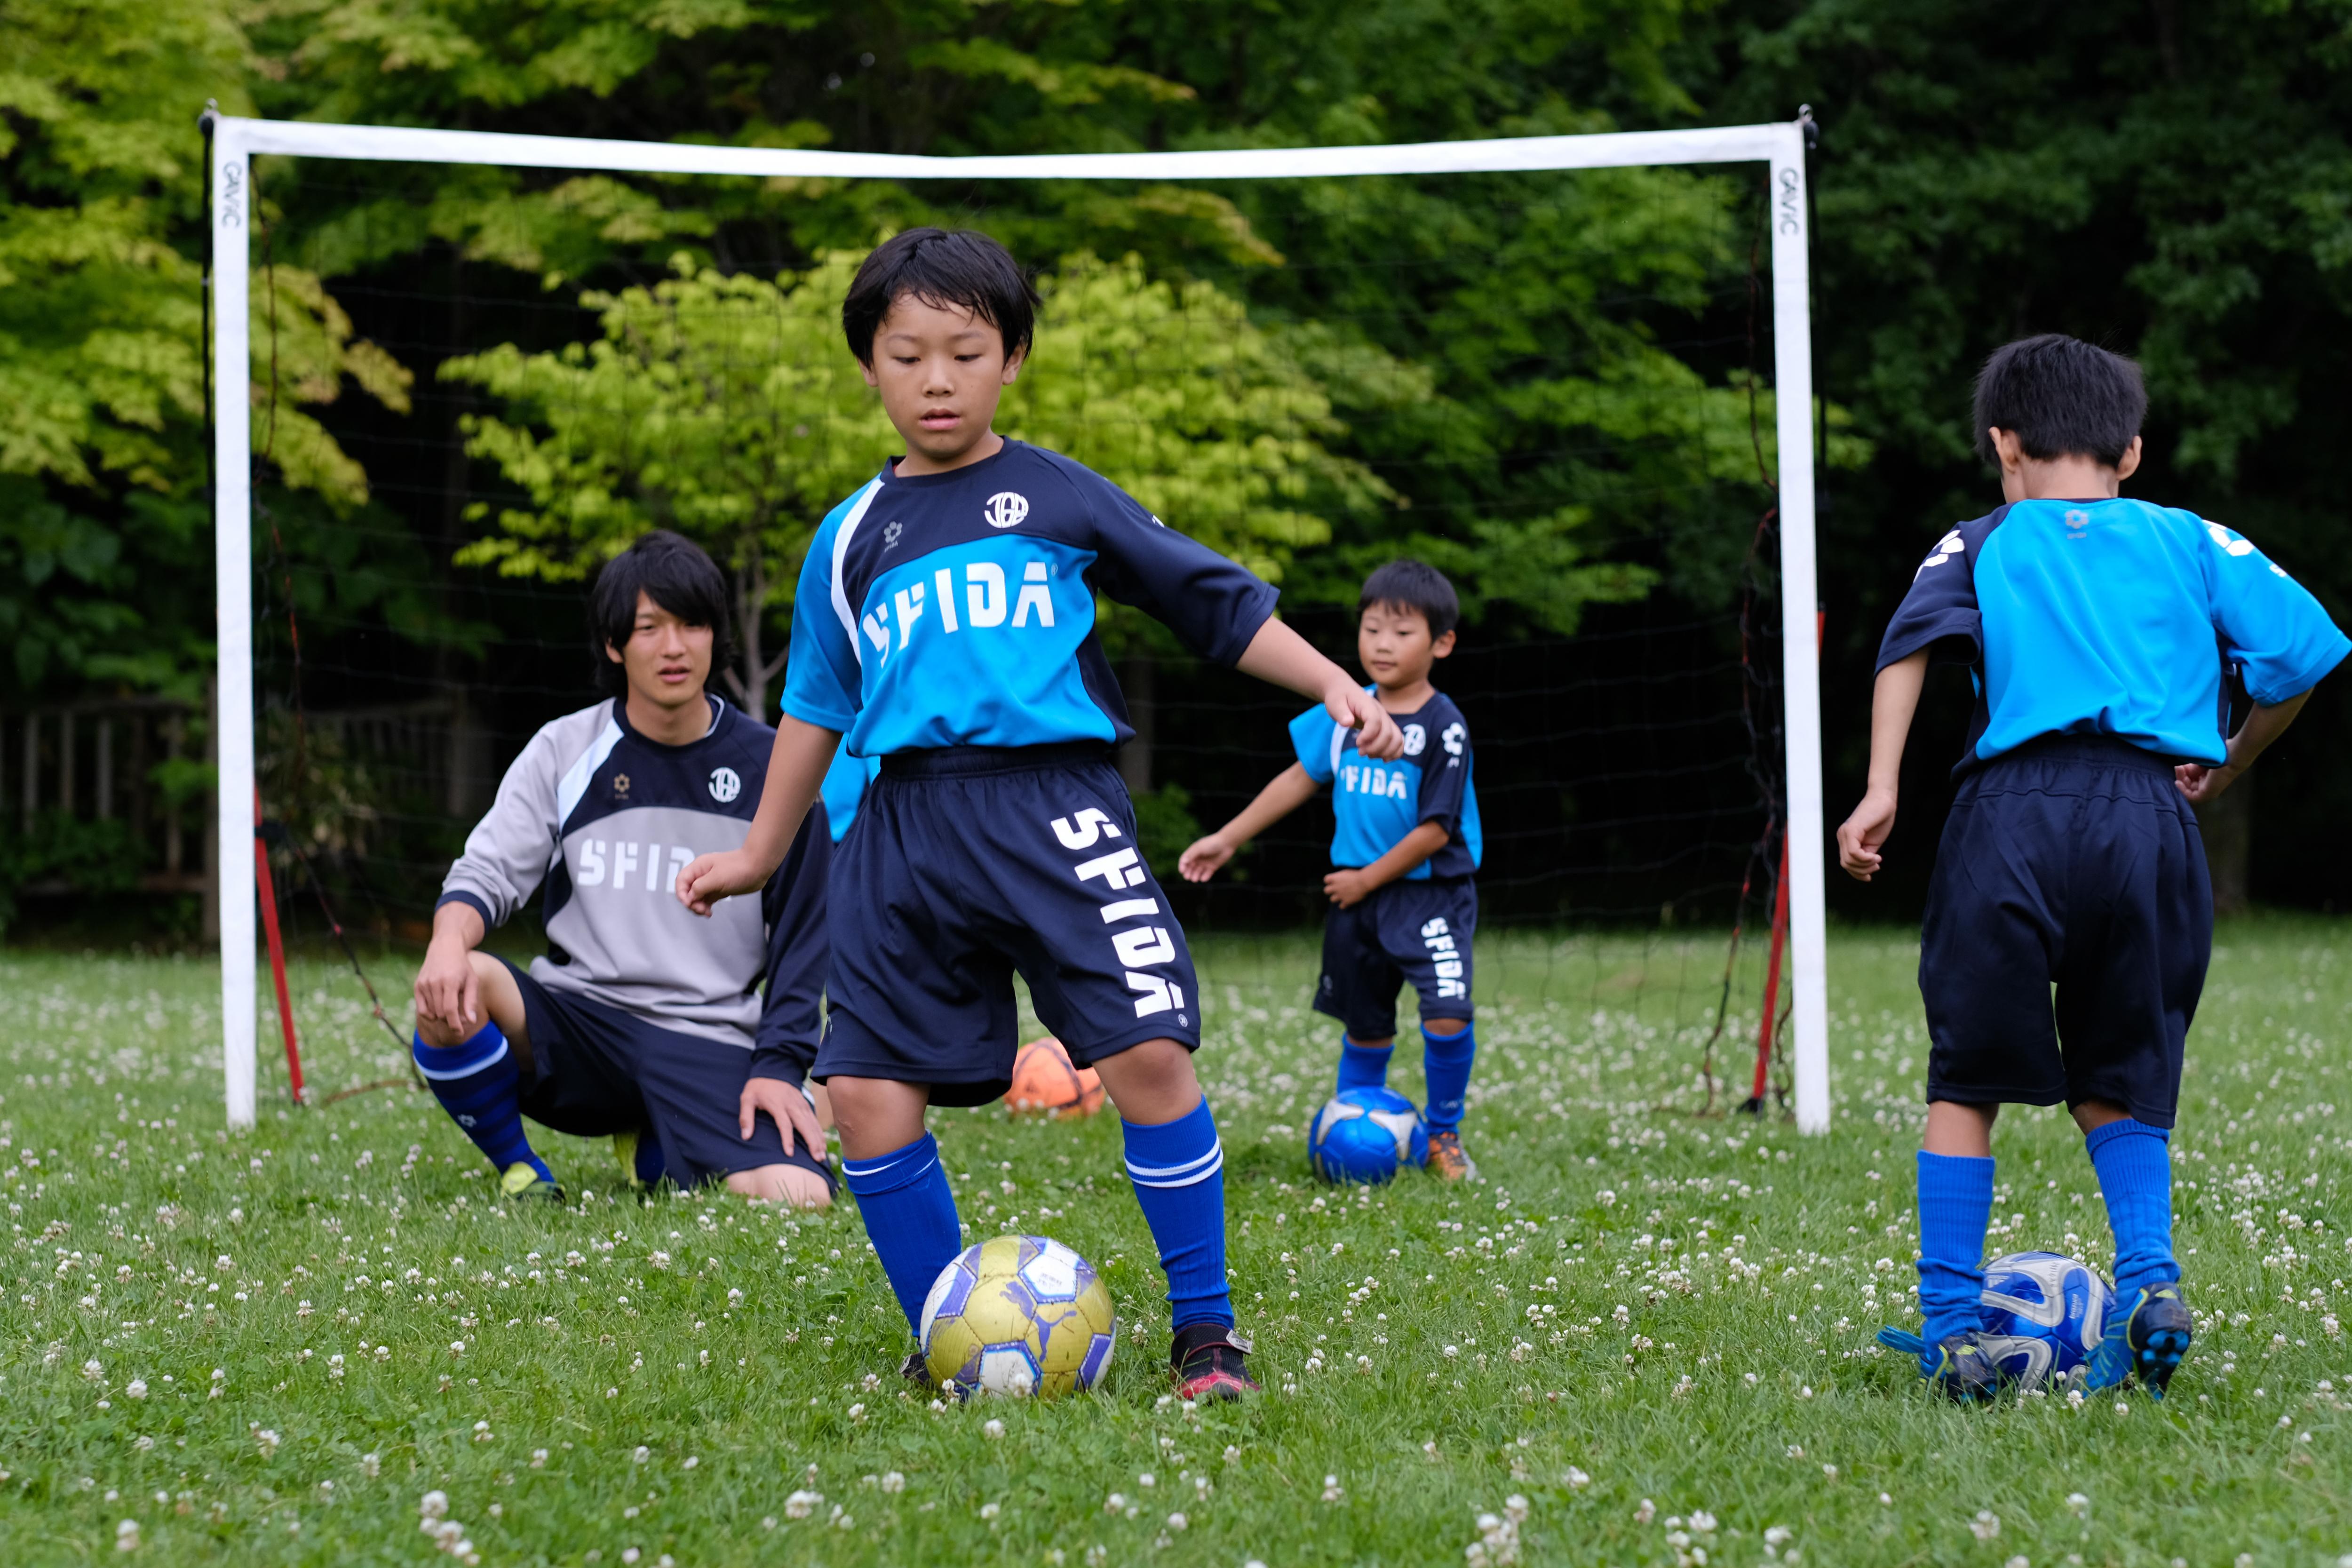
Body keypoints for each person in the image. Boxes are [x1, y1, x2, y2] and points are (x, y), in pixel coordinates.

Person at [674, 227, 1404, 1400]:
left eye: (965, 351)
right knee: (860, 1090)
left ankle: (1207, 1336)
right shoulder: (848, 538)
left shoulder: (1057, 492)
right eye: (907, 354)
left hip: (1053, 808)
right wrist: (760, 849)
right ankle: (941, 1338)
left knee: (1150, 1058)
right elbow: (815, 701)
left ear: (1010, 357)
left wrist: (1330, 680)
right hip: (902, 831)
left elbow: (1207, 598)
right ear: (869, 365)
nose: (936, 378)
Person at [1836, 334, 2349, 1401]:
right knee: (2120, 1074)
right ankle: (2150, 1285)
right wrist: (2232, 754)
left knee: (1966, 1077)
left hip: (2009, 814)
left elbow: (1906, 644)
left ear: (2003, 442)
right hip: (2148, 818)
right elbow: (2302, 652)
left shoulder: (1981, 537)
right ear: (2131, 449)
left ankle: (1949, 1329)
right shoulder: (2193, 538)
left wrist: (1882, 784)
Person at [412, 530, 836, 1209]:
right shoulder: (566, 747)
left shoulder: (777, 769)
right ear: (615, 645)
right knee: (459, 980)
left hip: (706, 1037)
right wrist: (444, 942)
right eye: (649, 628)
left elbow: (805, 937)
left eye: (692, 624)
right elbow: (488, 868)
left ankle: (656, 1143)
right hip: (580, 1021)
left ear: (714, 634)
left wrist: (782, 1068)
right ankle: (522, 1171)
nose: (674, 647)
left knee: (799, 1196)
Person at [1178, 560, 1484, 1179]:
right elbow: (1299, 776)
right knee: (1365, 1022)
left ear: (1442, 643)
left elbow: (1437, 829)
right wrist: (1229, 837)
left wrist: (1370, 878)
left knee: (1447, 1011)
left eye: (1402, 632)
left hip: (1430, 897)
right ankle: (1349, 1129)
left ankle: (1443, 1136)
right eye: (1372, 629)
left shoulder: (1444, 728)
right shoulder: (1347, 711)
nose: (1382, 643)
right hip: (1356, 901)